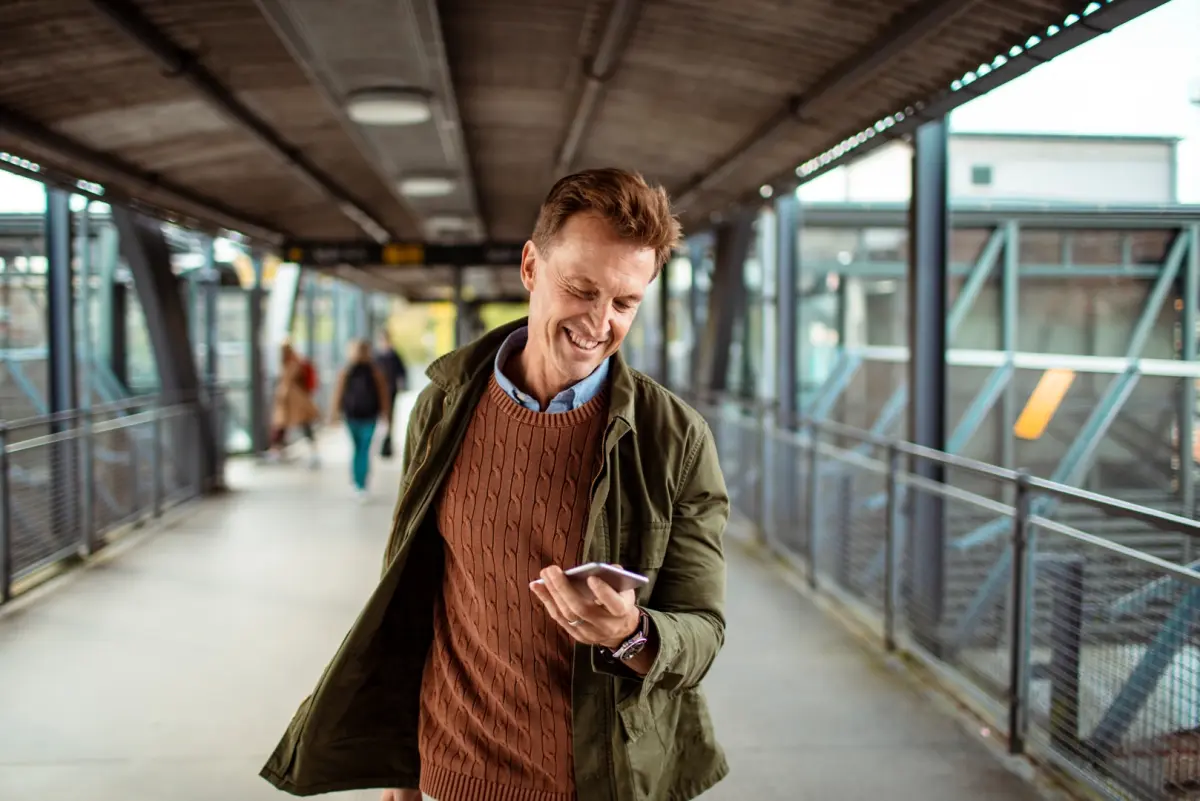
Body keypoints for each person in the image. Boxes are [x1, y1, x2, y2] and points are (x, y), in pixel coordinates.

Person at [261, 168, 730, 801]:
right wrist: (402, 772)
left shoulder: (676, 440)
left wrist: (632, 634)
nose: (598, 322)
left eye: (624, 303)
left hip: (592, 782)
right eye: (581, 288)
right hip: (452, 771)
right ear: (531, 267)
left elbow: (702, 631)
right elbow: (416, 590)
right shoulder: (444, 406)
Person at [329, 339, 391, 499]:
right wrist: (385, 414)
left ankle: (359, 481)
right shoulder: (373, 371)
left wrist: (335, 414)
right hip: (365, 416)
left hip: (356, 416)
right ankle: (361, 482)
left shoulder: (351, 371)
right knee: (362, 449)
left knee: (359, 450)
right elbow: (383, 394)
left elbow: (338, 394)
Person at [267, 342, 321, 468]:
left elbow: (287, 381)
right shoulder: (295, 362)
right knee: (283, 426)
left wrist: (281, 395)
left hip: (293, 401)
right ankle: (277, 451)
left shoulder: (292, 364)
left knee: (297, 426)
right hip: (293, 401)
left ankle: (313, 453)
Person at [373, 329, 408, 459]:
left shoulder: (394, 356)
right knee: (380, 417)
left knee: (389, 417)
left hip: (391, 391)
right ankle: (381, 444)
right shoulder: (377, 357)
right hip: (378, 393)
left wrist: (401, 386)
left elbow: (402, 372)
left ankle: (387, 444)